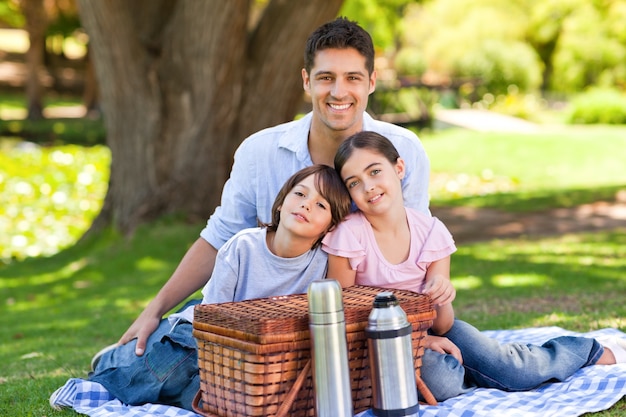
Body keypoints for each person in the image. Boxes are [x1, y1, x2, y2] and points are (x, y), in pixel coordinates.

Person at [118, 16, 431, 358]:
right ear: (306, 81)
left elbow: (418, 252)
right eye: (326, 78)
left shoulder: (403, 150)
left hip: (381, 318)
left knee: (445, 371)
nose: (339, 92)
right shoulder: (260, 151)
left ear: (371, 82)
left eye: (352, 78)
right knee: (158, 358)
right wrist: (155, 308)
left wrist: (419, 332)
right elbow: (219, 237)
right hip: (273, 323)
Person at [322, 131, 626, 402]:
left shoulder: (431, 232)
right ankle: (471, 370)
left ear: (398, 168)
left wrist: (442, 296)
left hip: (436, 330)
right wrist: (422, 341)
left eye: (375, 171)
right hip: (380, 342)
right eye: (354, 183)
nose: (369, 186)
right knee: (442, 382)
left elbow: (443, 325)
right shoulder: (350, 235)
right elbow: (342, 315)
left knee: (514, 371)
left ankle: (585, 350)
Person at [50, 164, 353, 411]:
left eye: (320, 204)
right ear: (282, 200)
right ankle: (112, 365)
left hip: (255, 354)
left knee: (213, 401)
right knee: (170, 370)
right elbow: (210, 317)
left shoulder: (322, 264)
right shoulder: (242, 247)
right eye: (299, 193)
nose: (305, 205)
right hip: (203, 332)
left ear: (329, 226)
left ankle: (139, 363)